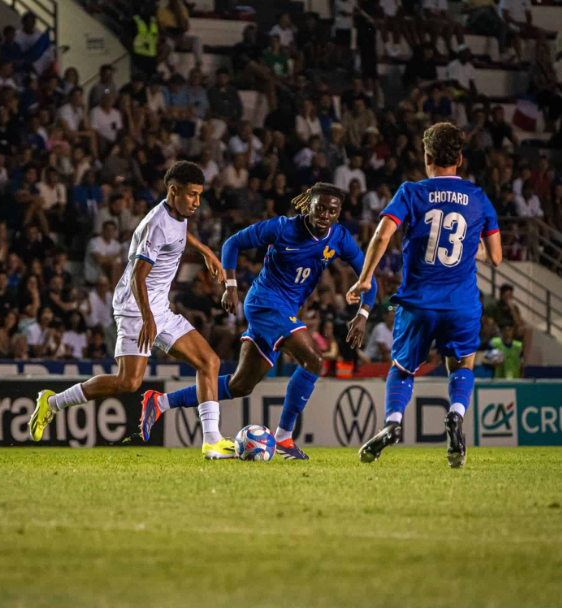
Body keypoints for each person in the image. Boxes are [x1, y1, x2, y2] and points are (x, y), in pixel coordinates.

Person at [141, 183, 378, 460]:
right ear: (309, 206)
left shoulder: (340, 238)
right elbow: (233, 243)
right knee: (313, 360)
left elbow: (368, 277)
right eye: (321, 208)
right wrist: (230, 286)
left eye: (332, 211)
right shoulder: (282, 228)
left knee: (240, 385)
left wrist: (363, 314)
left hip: (285, 310)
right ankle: (284, 437)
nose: (325, 214)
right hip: (264, 302)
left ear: (339, 214)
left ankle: (159, 402)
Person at [29, 162, 235, 460]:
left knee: (209, 362)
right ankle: (53, 403)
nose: (197, 202)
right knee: (129, 382)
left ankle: (212, 441)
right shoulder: (156, 224)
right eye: (192, 195)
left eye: (199, 195)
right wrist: (148, 319)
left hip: (158, 306)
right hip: (135, 307)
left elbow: (180, 235)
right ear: (173, 190)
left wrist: (205, 250)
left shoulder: (178, 213)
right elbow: (139, 276)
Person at [348, 122, 502, 468]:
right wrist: (470, 250)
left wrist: (364, 278)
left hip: (418, 302)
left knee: (402, 369)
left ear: (427, 156)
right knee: (461, 363)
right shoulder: (479, 198)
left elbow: (382, 235)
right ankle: (456, 415)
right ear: (460, 159)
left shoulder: (411, 192)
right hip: (461, 304)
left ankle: (393, 423)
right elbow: (495, 256)